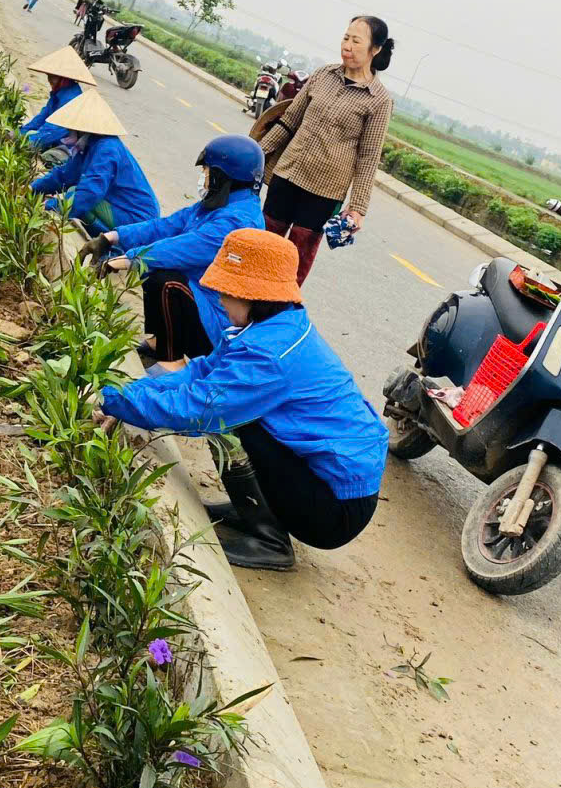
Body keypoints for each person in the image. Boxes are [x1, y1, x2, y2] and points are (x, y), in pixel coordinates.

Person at [99, 229, 387, 571]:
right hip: (323, 481)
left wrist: (117, 403)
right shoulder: (272, 325)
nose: (220, 300)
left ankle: (270, 539)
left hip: (333, 509)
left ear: (254, 295)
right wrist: (128, 395)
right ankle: (256, 507)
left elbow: (201, 407)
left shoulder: (270, 353)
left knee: (231, 421)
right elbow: (203, 371)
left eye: (227, 292)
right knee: (234, 410)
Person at [93, 135, 267, 363]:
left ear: (222, 177)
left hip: (218, 322)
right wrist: (113, 237)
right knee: (159, 272)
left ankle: (170, 360)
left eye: (206, 172)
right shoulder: (218, 205)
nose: (203, 179)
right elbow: (166, 226)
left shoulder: (238, 222)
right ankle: (159, 342)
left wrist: (127, 259)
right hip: (202, 300)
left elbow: (181, 249)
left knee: (166, 281)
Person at [252, 17, 394, 284]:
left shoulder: (380, 100)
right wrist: (256, 154)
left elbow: (368, 157)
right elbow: (288, 122)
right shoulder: (322, 75)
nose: (347, 46)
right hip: (287, 175)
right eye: (345, 38)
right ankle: (244, 302)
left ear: (375, 49)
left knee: (296, 257)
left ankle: (278, 314)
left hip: (324, 192)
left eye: (356, 41)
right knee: (264, 243)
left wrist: (358, 207)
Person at [30, 88, 160, 232]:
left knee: (79, 199)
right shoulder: (87, 145)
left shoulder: (107, 149)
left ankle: (113, 245)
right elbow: (65, 175)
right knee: (74, 193)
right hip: (118, 205)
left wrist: (51, 205)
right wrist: (33, 188)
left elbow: (89, 193)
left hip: (134, 218)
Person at [19, 45, 96, 148]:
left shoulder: (70, 98)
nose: (49, 80)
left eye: (53, 77)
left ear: (63, 79)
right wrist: (21, 132)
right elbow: (43, 117)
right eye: (48, 76)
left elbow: (53, 130)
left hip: (70, 148)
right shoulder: (59, 93)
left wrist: (24, 141)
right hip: (57, 139)